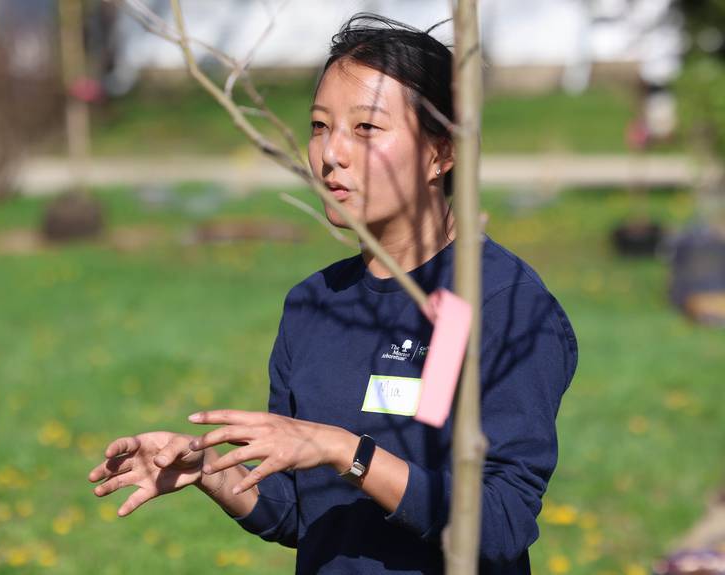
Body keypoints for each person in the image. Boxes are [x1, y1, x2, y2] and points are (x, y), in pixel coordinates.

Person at [88, 13, 578, 575]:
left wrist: (346, 450)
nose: (330, 155)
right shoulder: (313, 304)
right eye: (320, 127)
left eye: (365, 129)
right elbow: (299, 515)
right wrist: (210, 471)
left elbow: (501, 523)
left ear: (441, 153)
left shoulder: (502, 303)